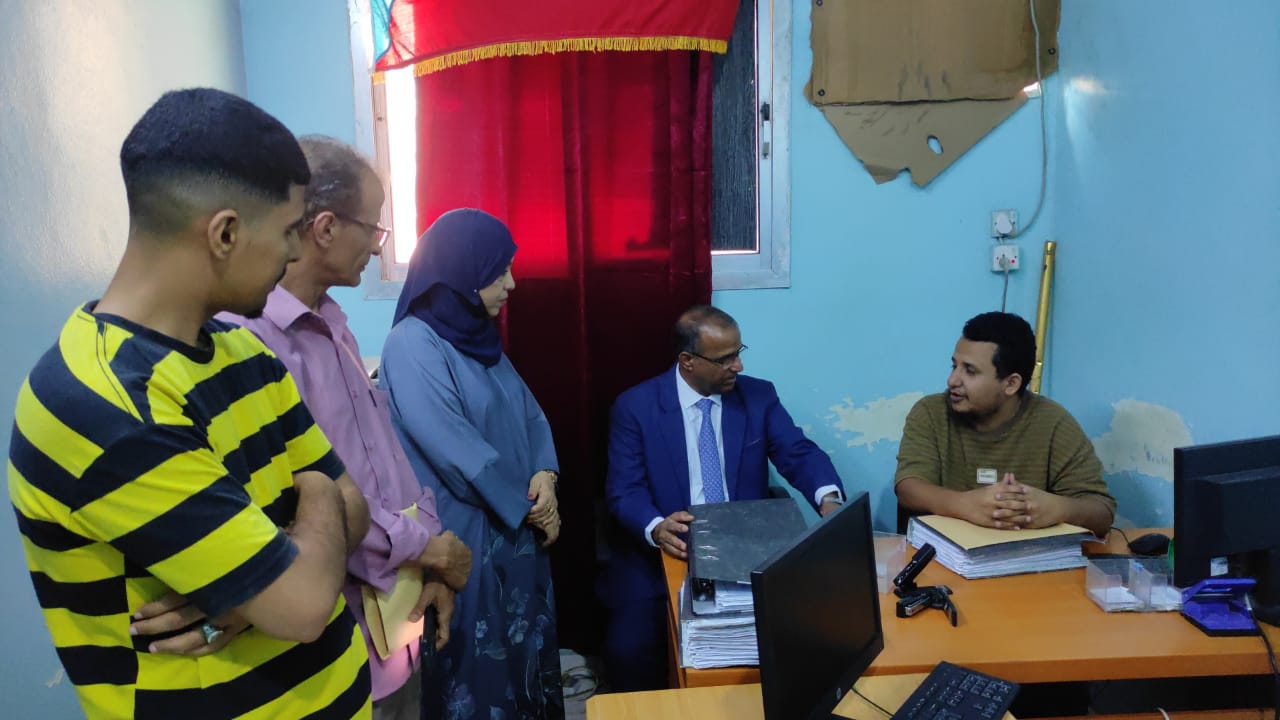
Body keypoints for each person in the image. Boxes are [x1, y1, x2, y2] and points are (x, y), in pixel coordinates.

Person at [8, 89, 373, 718]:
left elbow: (356, 512)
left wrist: (246, 593)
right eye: (288, 230)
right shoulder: (103, 404)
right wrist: (313, 501)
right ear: (225, 233)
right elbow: (306, 605)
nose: (294, 253)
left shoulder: (240, 349)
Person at [219, 136, 473, 720]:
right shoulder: (250, 341)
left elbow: (385, 462)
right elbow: (310, 502)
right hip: (330, 645)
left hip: (395, 618)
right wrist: (428, 549)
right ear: (326, 228)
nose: (378, 246)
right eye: (374, 229)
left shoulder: (333, 322)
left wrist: (430, 555)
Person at [380, 208, 565, 719]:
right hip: (469, 535)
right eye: (498, 271)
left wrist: (546, 477)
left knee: (527, 660)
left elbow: (529, 414)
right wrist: (530, 506)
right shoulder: (412, 343)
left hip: (518, 525)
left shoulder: (479, 339)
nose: (512, 283)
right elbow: (454, 448)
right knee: (479, 675)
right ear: (461, 272)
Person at [604, 304, 847, 691]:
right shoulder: (637, 407)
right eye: (725, 359)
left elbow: (797, 452)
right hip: (666, 552)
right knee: (630, 651)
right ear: (687, 361)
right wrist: (656, 526)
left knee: (802, 636)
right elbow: (624, 490)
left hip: (746, 549)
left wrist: (829, 499)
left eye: (738, 352)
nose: (738, 366)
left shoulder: (758, 397)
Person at [894, 311, 1115, 538]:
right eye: (954, 366)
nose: (952, 380)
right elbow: (908, 488)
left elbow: (1101, 511)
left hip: (1028, 557)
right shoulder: (931, 412)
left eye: (970, 371)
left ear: (1011, 384)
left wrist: (1055, 508)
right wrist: (966, 504)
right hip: (945, 555)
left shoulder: (1054, 423)